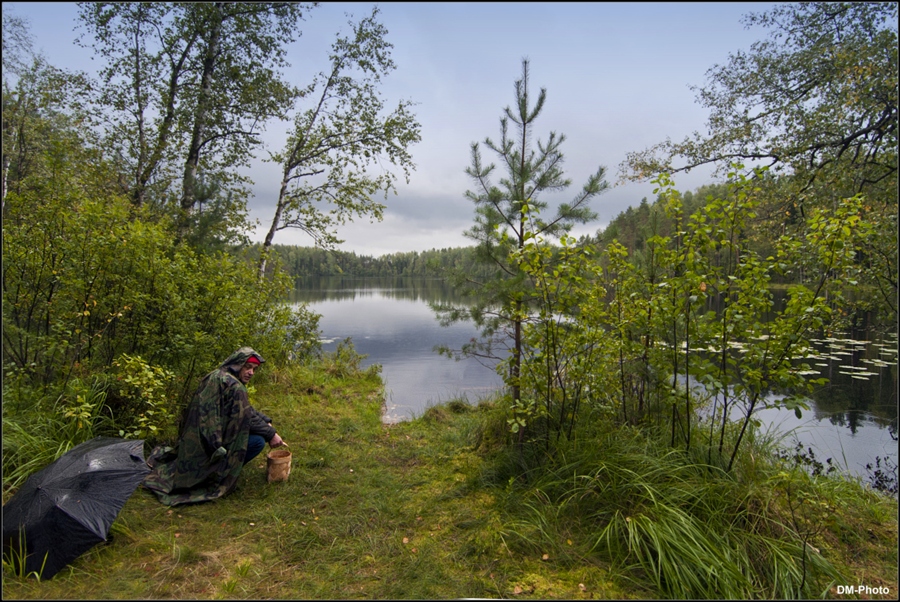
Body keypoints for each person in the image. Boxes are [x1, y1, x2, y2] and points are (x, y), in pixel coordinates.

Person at [143, 347, 287, 506]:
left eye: (254, 369)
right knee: (257, 441)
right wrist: (271, 434)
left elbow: (247, 410)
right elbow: (246, 418)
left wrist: (265, 420)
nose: (251, 372)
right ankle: (223, 475)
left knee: (255, 435)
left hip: (196, 441)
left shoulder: (216, 376)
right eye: (247, 367)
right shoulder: (233, 386)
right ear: (237, 364)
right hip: (213, 444)